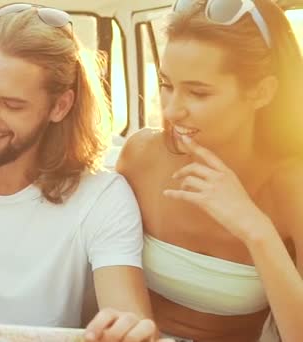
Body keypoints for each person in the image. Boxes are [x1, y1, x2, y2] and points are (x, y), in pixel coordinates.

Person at [0, 4, 169, 341]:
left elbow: (126, 313)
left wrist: (129, 330)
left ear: (60, 106)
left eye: (12, 104)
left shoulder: (102, 197)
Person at [96, 0, 303, 341]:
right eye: (166, 85)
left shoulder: (292, 184)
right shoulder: (141, 156)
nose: (173, 109)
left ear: (262, 92)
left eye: (198, 92)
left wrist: (254, 228)